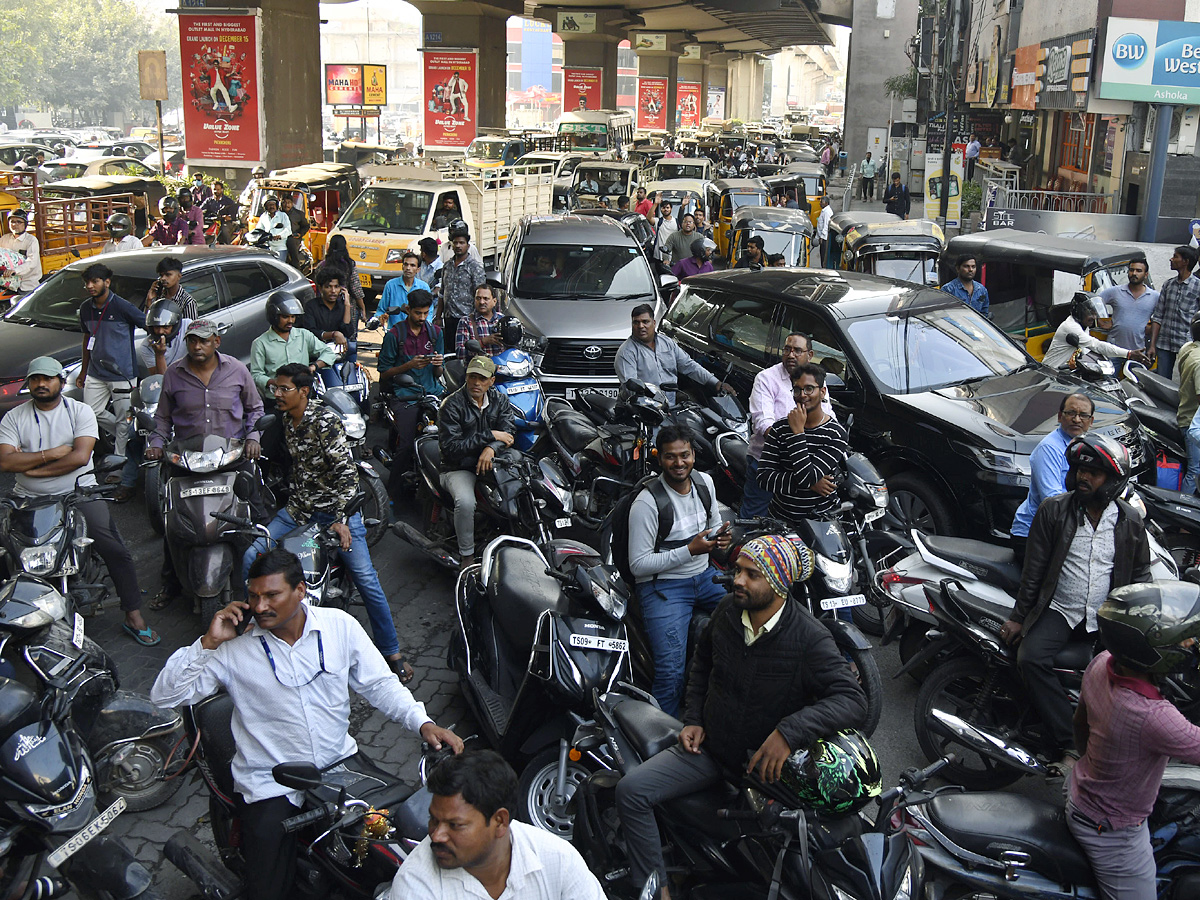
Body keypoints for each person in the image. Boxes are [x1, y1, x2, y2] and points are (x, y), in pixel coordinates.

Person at [152, 548, 460, 900]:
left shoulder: (339, 626)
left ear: (300, 591)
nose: (260, 606)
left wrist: (422, 723)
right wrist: (208, 643)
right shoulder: (232, 646)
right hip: (270, 782)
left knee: (396, 845)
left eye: (271, 595)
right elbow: (166, 698)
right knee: (269, 891)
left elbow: (380, 685)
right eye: (253, 596)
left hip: (340, 766)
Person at [615, 534, 867, 893]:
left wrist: (788, 733)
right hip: (712, 752)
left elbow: (852, 699)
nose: (738, 580)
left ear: (779, 584)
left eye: (751, 574)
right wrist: (694, 719)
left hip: (765, 777)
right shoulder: (727, 612)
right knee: (631, 791)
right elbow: (701, 664)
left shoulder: (810, 638)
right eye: (737, 571)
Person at [241, 365, 417, 681]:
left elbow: (348, 476)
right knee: (251, 557)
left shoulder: (325, 423)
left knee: (366, 579)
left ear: (303, 392)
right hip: (297, 512)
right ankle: (249, 632)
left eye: (283, 389)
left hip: (337, 514)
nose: (277, 394)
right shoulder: (286, 420)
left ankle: (392, 651)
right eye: (276, 388)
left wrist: (340, 520)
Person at [999, 434, 1152, 765]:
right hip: (1059, 610)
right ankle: (1070, 740)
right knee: (1029, 658)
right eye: (1080, 471)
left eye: (1093, 473)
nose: (1084, 478)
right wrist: (1018, 617)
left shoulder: (1129, 520)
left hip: (1106, 617)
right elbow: (1034, 573)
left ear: (1112, 481)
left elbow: (1141, 575)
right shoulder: (1054, 511)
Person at [0, 357, 158, 645]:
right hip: (28, 498)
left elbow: (80, 457)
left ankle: (134, 615)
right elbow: (5, 460)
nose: (41, 384)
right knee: (8, 556)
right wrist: (52, 454)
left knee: (115, 550)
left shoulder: (80, 411)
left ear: (60, 381)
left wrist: (31, 466)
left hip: (79, 492)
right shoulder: (14, 417)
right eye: (35, 379)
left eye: (47, 379)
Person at [1068, 586, 1200, 900]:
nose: (1192, 645)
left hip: (1080, 790)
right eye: (1185, 641)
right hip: (1114, 833)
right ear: (1154, 649)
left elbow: (1079, 725)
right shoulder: (1153, 716)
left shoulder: (1102, 662)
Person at [144, 318, 264, 606]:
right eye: (193, 341)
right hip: (187, 460)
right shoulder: (174, 373)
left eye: (204, 340)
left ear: (216, 342)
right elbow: (162, 418)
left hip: (232, 457)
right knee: (176, 521)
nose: (198, 346)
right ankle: (171, 582)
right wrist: (156, 444)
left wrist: (254, 437)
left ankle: (264, 573)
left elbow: (255, 408)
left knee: (258, 514)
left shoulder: (236, 369)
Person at [388, 750, 604, 900]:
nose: (436, 836)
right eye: (434, 820)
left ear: (499, 821)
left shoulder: (557, 859)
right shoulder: (415, 886)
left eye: (455, 825)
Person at [628, 425, 730, 715]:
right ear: (660, 459)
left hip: (706, 577)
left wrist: (721, 538)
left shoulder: (704, 484)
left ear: (694, 455)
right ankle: (663, 736)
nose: (679, 463)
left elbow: (711, 528)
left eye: (684, 455)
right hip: (664, 588)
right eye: (670, 457)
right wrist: (689, 551)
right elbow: (638, 565)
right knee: (671, 673)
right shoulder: (646, 504)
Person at [438, 355, 516, 571]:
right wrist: (489, 436)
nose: (476, 383)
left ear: (492, 381)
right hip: (458, 467)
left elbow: (508, 434)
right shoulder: (451, 404)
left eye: (482, 378)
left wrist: (491, 448)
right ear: (466, 377)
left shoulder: (500, 400)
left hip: (492, 464)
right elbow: (451, 449)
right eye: (473, 377)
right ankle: (467, 556)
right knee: (466, 502)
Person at [743, 333, 834, 517]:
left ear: (810, 355)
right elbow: (764, 425)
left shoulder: (816, 381)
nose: (791, 355)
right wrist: (808, 477)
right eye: (787, 350)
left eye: (797, 351)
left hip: (806, 466)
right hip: (768, 464)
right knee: (753, 522)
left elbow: (829, 418)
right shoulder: (766, 379)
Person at [756, 362, 848, 524]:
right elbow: (764, 478)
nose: (802, 395)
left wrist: (797, 433)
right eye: (797, 389)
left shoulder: (836, 434)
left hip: (822, 522)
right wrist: (811, 484)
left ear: (823, 392)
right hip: (781, 520)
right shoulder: (780, 428)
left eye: (809, 389)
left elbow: (807, 477)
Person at [1010, 393, 1095, 559]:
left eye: (1083, 415)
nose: (1077, 420)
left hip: (1063, 530)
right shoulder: (1049, 448)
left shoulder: (1083, 445)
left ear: (1091, 421)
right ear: (1059, 416)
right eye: (1071, 413)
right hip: (1035, 535)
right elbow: (1052, 501)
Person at [378, 290, 444, 501]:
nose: (422, 318)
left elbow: (438, 373)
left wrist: (438, 365)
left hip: (432, 393)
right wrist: (408, 366)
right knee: (406, 446)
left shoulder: (435, 333)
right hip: (405, 395)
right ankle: (392, 498)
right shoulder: (394, 335)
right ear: (408, 310)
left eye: (426, 313)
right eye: (418, 313)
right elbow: (384, 371)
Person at [76, 262, 143, 459]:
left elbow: (147, 324)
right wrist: (83, 370)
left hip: (122, 373)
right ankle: (131, 435)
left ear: (107, 282)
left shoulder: (122, 306)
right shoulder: (85, 308)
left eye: (95, 281)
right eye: (87, 282)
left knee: (124, 418)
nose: (90, 286)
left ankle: (120, 460)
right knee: (91, 413)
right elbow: (87, 338)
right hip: (95, 373)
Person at [615, 304, 731, 405]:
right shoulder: (626, 352)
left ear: (654, 323)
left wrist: (715, 383)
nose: (641, 326)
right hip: (643, 409)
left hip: (671, 404)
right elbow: (632, 388)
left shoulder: (667, 343)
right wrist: (659, 402)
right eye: (636, 322)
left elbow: (689, 366)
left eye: (645, 322)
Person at [250, 290, 338, 399]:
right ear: (274, 316)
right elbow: (256, 375)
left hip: (302, 397)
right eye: (285, 317)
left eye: (293, 316)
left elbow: (328, 352)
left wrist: (314, 367)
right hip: (276, 399)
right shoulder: (260, 343)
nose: (290, 320)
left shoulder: (303, 335)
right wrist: (276, 383)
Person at [1043, 292, 1146, 370]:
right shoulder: (1070, 327)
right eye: (1090, 313)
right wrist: (1128, 353)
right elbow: (1096, 345)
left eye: (1095, 313)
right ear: (1079, 312)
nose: (1094, 317)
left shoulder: (1084, 326)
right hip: (1051, 372)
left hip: (1066, 372)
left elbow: (1087, 351)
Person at [1149, 245, 1200, 378]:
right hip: (1164, 343)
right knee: (1161, 381)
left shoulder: (1198, 286)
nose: (1171, 259)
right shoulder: (1168, 285)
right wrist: (1152, 345)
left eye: (1175, 257)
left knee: (1187, 382)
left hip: (1187, 344)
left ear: (1186, 261)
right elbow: (1158, 316)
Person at [1100, 260, 1158, 353]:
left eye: (1138, 271)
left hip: (1138, 350)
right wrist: (1100, 321)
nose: (1134, 273)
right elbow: (1094, 303)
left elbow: (1160, 318)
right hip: (1114, 349)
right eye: (1131, 270)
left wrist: (1151, 331)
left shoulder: (1154, 296)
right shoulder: (1115, 291)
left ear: (1146, 274)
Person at [440, 221, 486, 334]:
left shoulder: (475, 268)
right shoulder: (447, 266)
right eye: (455, 243)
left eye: (461, 243)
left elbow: (481, 296)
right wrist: (437, 317)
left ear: (468, 245)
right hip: (448, 319)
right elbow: (442, 292)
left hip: (467, 320)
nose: (458, 246)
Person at [303, 268, 355, 363]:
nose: (333, 291)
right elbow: (310, 331)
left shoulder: (342, 306)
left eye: (336, 287)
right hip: (315, 353)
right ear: (320, 288)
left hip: (336, 353)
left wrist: (347, 305)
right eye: (328, 287)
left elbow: (347, 332)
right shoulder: (311, 306)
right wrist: (333, 334)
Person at [371, 251, 432, 330]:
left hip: (417, 332)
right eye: (406, 264)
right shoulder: (391, 285)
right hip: (395, 331)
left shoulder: (424, 287)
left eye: (412, 265)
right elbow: (381, 310)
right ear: (402, 266)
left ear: (418, 269)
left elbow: (429, 312)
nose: (408, 268)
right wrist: (380, 318)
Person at [320, 233, 367, 326]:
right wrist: (363, 308)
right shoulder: (349, 265)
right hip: (347, 309)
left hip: (325, 309)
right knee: (348, 336)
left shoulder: (322, 265)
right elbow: (356, 289)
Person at [1179, 313, 1200, 495]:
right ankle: (1184, 516)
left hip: (1185, 409)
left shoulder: (1188, 348)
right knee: (1195, 469)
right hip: (1192, 422)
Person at [0, 208, 40, 292]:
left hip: (26, 285)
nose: (15, 224)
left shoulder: (31, 240)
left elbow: (32, 262)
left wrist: (15, 270)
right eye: (12, 222)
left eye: (19, 222)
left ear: (25, 224)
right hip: (7, 285)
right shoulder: (4, 239)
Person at [456, 283, 502, 356]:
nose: (481, 302)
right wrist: (483, 342)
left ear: (494, 301)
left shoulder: (502, 320)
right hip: (477, 366)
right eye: (478, 298)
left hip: (502, 365)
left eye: (486, 298)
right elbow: (460, 353)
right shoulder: (466, 321)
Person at [940, 254, 990, 318]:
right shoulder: (948, 289)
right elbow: (944, 314)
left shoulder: (982, 290)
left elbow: (984, 313)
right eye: (966, 266)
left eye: (973, 266)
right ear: (958, 268)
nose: (970, 269)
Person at [255, 195, 291, 261]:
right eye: (269, 205)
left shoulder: (283, 215)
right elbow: (259, 229)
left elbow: (288, 230)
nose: (271, 206)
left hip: (280, 247)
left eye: (273, 204)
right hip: (267, 247)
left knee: (279, 267)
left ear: (276, 206)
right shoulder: (263, 216)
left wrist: (279, 236)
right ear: (265, 206)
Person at [281, 194, 309, 269]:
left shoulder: (299, 214)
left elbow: (306, 226)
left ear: (292, 203)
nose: (286, 205)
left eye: (289, 202)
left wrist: (300, 234)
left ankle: (296, 267)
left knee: (291, 242)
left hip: (294, 237)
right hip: (280, 237)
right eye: (284, 202)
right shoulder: (278, 214)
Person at [816, 197, 832, 263]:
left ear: (826, 203)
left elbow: (826, 225)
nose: (820, 204)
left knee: (823, 254)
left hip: (825, 238)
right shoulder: (824, 211)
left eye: (821, 202)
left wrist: (822, 237)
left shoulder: (827, 212)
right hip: (822, 237)